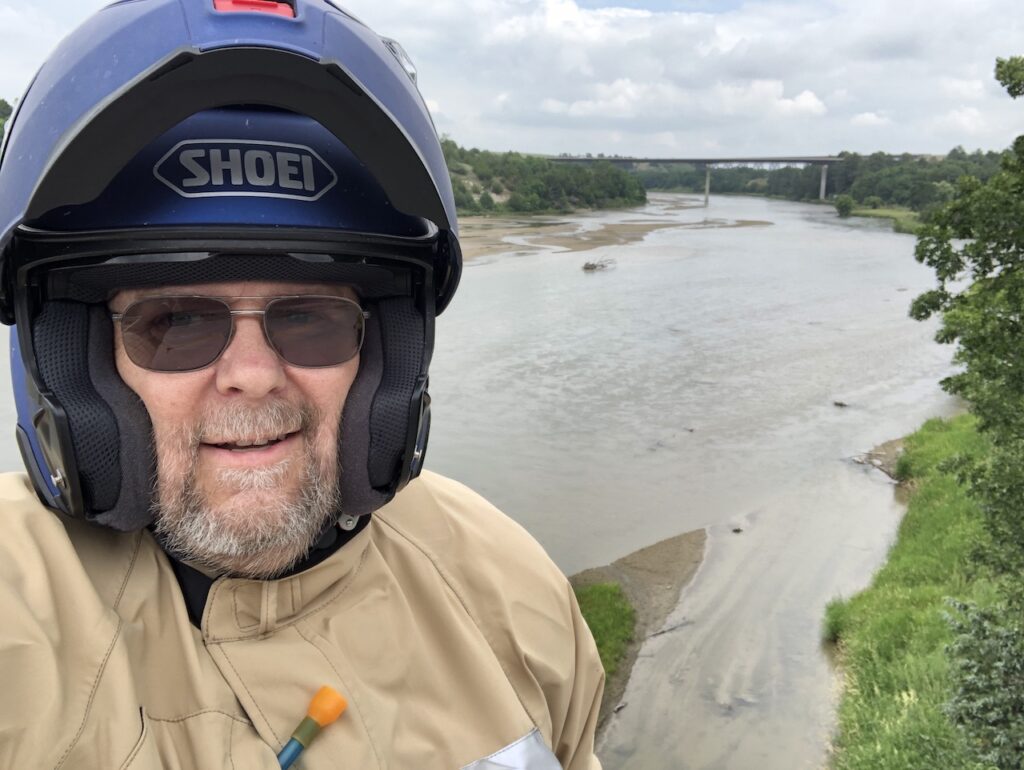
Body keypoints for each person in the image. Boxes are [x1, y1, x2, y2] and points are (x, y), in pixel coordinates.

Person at [0, 1, 605, 768]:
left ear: (383, 353)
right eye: (174, 321)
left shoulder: (508, 589)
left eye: (311, 317)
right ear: (74, 364)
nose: (253, 376)